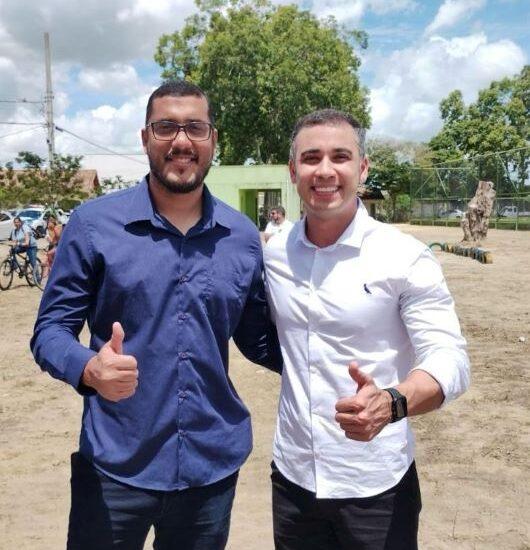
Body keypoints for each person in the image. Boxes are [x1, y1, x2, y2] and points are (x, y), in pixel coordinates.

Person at [31, 80, 281, 550]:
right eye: (166, 127)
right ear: (145, 137)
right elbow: (50, 329)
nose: (181, 141)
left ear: (212, 139)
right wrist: (88, 368)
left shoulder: (242, 237)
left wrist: (326, 362)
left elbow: (257, 339)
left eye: (195, 128)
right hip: (115, 464)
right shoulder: (93, 225)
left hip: (210, 469)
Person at [263, 109, 470, 549]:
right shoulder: (274, 253)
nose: (325, 170)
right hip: (294, 479)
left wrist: (392, 402)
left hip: (376, 484)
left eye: (340, 156)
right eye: (311, 157)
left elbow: (449, 357)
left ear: (362, 168)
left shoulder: (404, 256)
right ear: (293, 171)